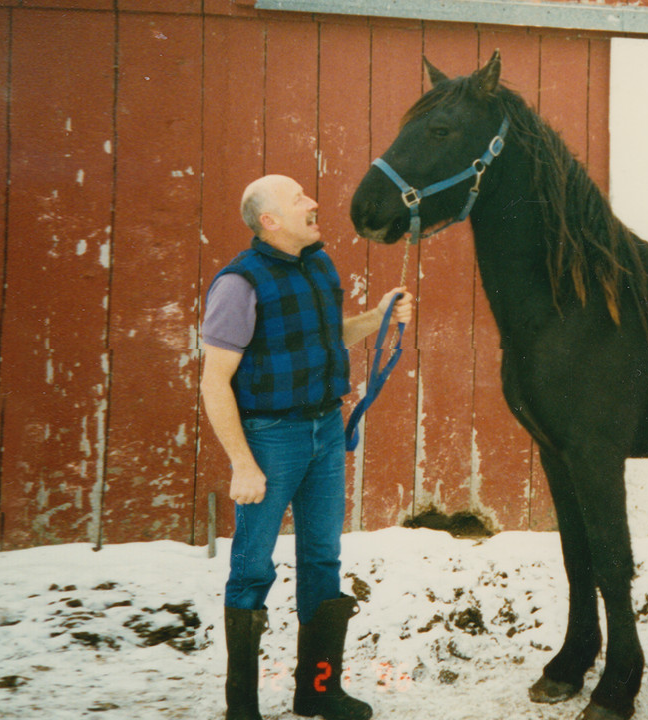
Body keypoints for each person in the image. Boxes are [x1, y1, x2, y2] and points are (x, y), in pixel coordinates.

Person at [200, 174, 412, 720]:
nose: (313, 202)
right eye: (298, 200)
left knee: (323, 558)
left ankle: (318, 689)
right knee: (251, 569)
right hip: (270, 438)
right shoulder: (238, 284)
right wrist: (242, 463)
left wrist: (380, 314)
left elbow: (329, 336)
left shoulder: (317, 263)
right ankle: (241, 707)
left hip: (324, 431)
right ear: (269, 221)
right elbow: (213, 381)